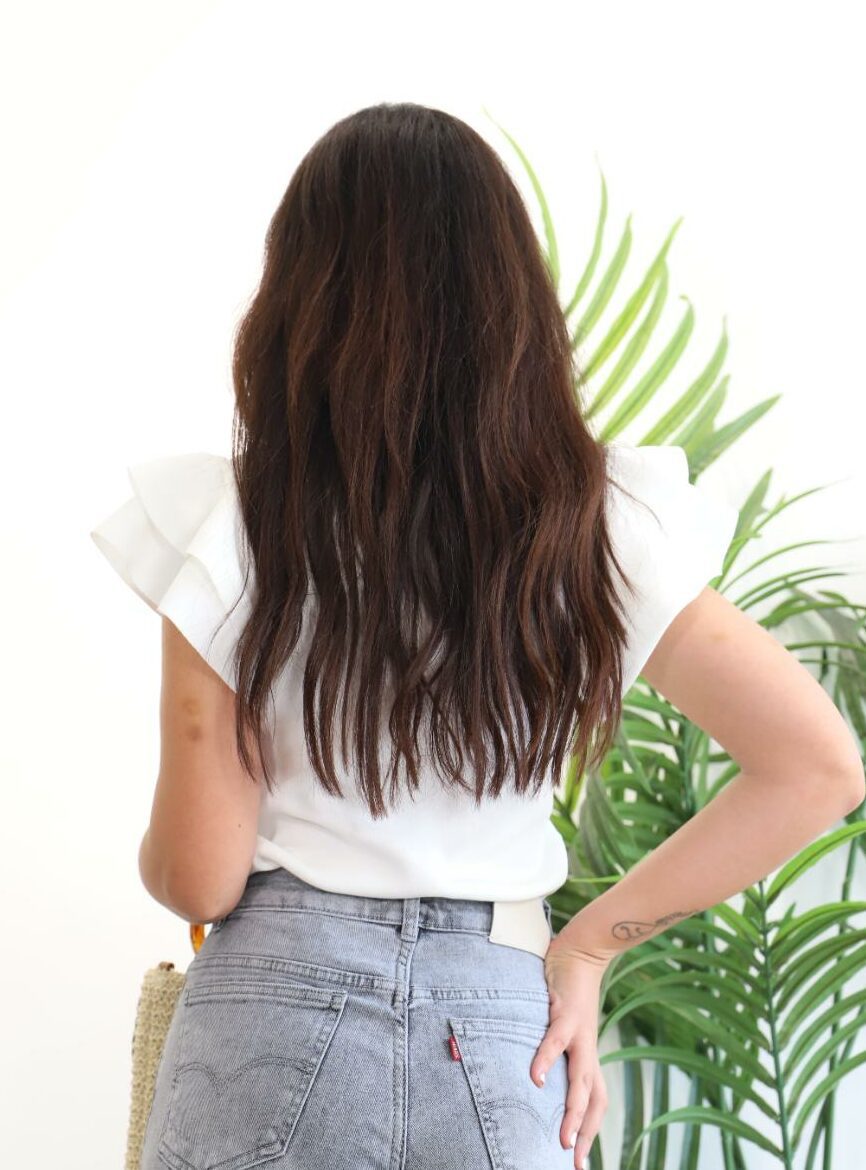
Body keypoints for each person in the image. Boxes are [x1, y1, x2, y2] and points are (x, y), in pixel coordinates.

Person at [89, 103, 865, 1170]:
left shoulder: (231, 524)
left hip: (272, 1007)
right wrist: (586, 949)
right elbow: (818, 767)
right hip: (500, 1026)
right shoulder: (591, 528)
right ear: (512, 306)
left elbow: (199, 878)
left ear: (298, 301)